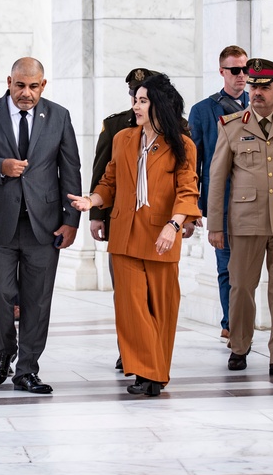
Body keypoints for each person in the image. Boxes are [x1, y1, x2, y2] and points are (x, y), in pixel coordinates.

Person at [69, 75, 200, 396]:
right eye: (135, 100)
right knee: (131, 309)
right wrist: (91, 201)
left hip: (161, 236)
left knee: (162, 308)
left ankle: (154, 372)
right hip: (124, 236)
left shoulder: (182, 145)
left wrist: (174, 225)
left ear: (159, 106)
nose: (135, 106)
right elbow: (109, 181)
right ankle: (145, 371)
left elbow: (187, 189)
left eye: (142, 101)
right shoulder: (124, 138)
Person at [0, 57, 82, 394]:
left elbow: (70, 169)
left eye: (34, 86)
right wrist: (0, 165)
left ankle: (27, 369)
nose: (26, 93)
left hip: (43, 226)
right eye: (20, 85)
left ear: (43, 85)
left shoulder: (58, 116)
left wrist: (71, 220)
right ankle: (3, 352)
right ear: (8, 81)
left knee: (37, 299)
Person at [207, 58, 273, 378]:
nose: (257, 93)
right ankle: (239, 346)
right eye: (254, 86)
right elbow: (217, 178)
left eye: (265, 87)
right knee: (241, 287)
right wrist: (215, 225)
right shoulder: (231, 125)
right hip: (246, 220)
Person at [88, 67, 161, 371]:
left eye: (143, 96)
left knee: (155, 295)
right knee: (126, 294)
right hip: (123, 223)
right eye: (134, 94)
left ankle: (154, 351)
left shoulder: (178, 128)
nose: (136, 101)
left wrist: (186, 219)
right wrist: (96, 215)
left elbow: (187, 176)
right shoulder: (116, 127)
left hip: (158, 226)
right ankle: (128, 351)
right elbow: (103, 172)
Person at [188, 46, 251, 341]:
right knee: (226, 268)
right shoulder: (203, 110)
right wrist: (193, 205)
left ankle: (240, 323)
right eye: (235, 70)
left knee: (247, 273)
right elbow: (193, 162)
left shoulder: (259, 104)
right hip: (221, 202)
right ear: (222, 71)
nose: (242, 76)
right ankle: (232, 325)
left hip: (255, 203)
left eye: (245, 69)